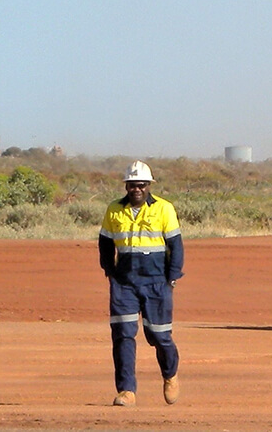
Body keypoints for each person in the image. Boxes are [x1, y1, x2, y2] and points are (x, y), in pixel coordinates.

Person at [98, 160, 184, 407]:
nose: (137, 189)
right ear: (126, 186)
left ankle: (170, 374)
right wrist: (109, 270)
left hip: (157, 282)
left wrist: (173, 276)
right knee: (123, 335)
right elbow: (104, 242)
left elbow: (175, 246)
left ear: (148, 186)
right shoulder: (114, 209)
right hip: (124, 283)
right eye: (132, 185)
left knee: (159, 336)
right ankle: (126, 391)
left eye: (142, 184)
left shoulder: (164, 209)